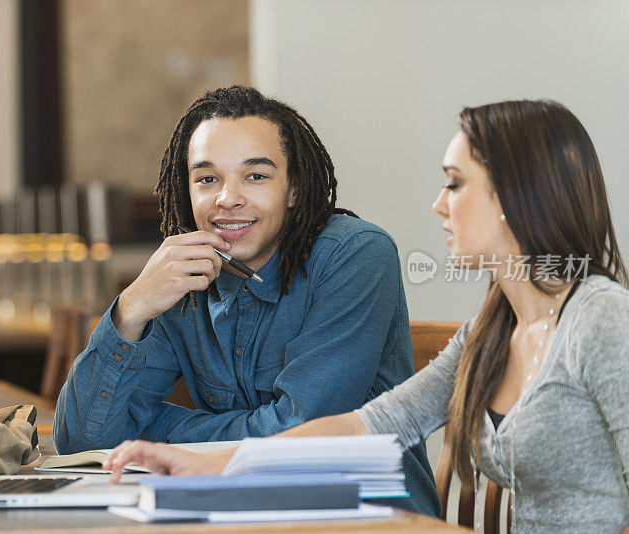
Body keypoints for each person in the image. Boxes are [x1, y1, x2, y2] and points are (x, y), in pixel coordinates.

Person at [103, 100, 629, 533]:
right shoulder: (490, 334)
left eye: (455, 184)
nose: (438, 205)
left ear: (516, 196)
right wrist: (206, 462)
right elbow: (369, 426)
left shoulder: (601, 320)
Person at [53, 85, 441, 516]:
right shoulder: (182, 271)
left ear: (293, 190)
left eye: (255, 176)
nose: (227, 198)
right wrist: (133, 307)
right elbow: (82, 441)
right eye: (207, 178)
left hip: (365, 519)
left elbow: (301, 435)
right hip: (233, 515)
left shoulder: (356, 254)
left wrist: (163, 434)